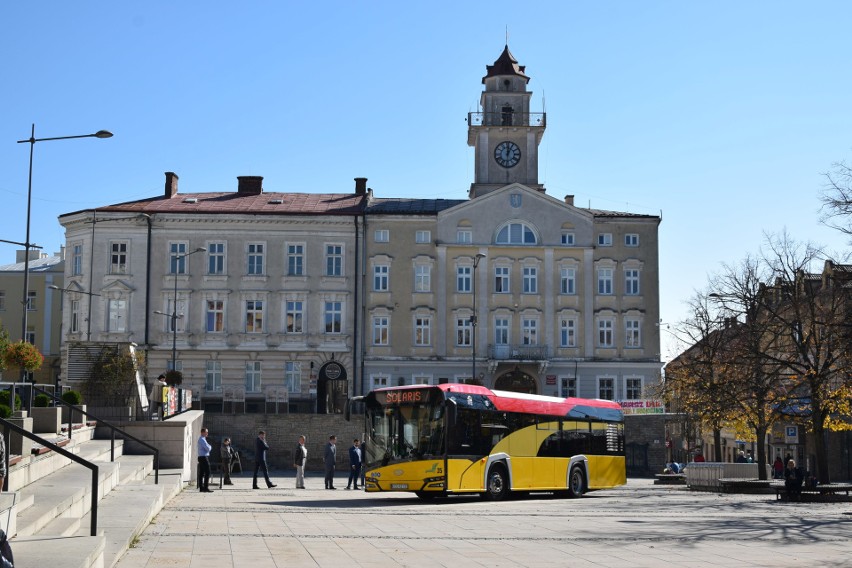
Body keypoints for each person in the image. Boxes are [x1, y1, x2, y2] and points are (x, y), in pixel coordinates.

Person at [197, 428, 213, 492]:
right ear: (203, 432)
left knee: (202, 473)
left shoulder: (203, 439)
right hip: (203, 457)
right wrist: (210, 447)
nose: (207, 433)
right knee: (207, 472)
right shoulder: (202, 439)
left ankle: (201, 487)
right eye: (206, 432)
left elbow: (208, 447)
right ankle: (205, 487)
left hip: (201, 457)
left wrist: (209, 447)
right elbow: (208, 448)